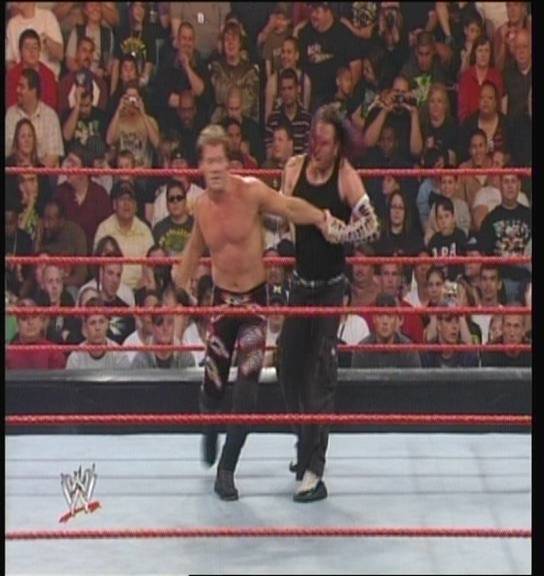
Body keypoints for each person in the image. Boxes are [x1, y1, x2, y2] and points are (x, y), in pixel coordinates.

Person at [173, 123, 348, 501]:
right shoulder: (201, 207)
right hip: (222, 305)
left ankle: (226, 469)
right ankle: (209, 425)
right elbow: (194, 248)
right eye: (208, 161)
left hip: (253, 303)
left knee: (248, 392)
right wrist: (180, 283)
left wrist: (320, 216)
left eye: (220, 160)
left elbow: (288, 206)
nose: (215, 168)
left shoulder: (251, 191)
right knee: (213, 386)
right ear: (200, 166)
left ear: (229, 162)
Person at [278, 104, 380, 502]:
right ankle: (304, 442)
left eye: (323, 143)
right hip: (300, 283)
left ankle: (313, 471)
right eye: (313, 141)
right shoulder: (293, 168)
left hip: (331, 286)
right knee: (287, 365)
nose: (316, 148)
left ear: (338, 145)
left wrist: (342, 232)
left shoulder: (345, 175)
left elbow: (372, 224)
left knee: (319, 373)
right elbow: (281, 213)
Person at [5, 68, 64, 168]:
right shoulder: (10, 115)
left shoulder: (50, 116)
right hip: (16, 172)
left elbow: (53, 155)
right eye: (18, 86)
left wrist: (34, 172)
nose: (17, 90)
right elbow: (7, 153)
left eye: (22, 87)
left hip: (43, 173)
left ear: (33, 91)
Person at [352, 292, 421, 369]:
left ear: (396, 319)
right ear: (374, 318)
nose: (385, 322)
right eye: (380, 315)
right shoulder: (362, 350)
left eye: (389, 316)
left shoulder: (408, 350)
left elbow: (415, 376)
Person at [66, 297, 132, 369]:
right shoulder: (75, 359)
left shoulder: (118, 355)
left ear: (107, 324)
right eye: (92, 323)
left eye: (101, 322)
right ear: (85, 327)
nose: (97, 328)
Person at [6, 294, 67, 370]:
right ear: (17, 325)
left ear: (41, 321)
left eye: (34, 317)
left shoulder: (54, 353)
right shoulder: (8, 354)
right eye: (24, 318)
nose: (30, 322)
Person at [5, 28, 58, 110]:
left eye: (35, 47)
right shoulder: (12, 75)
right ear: (20, 51)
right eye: (27, 47)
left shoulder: (48, 75)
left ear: (39, 51)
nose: (31, 51)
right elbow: (10, 105)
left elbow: (51, 106)